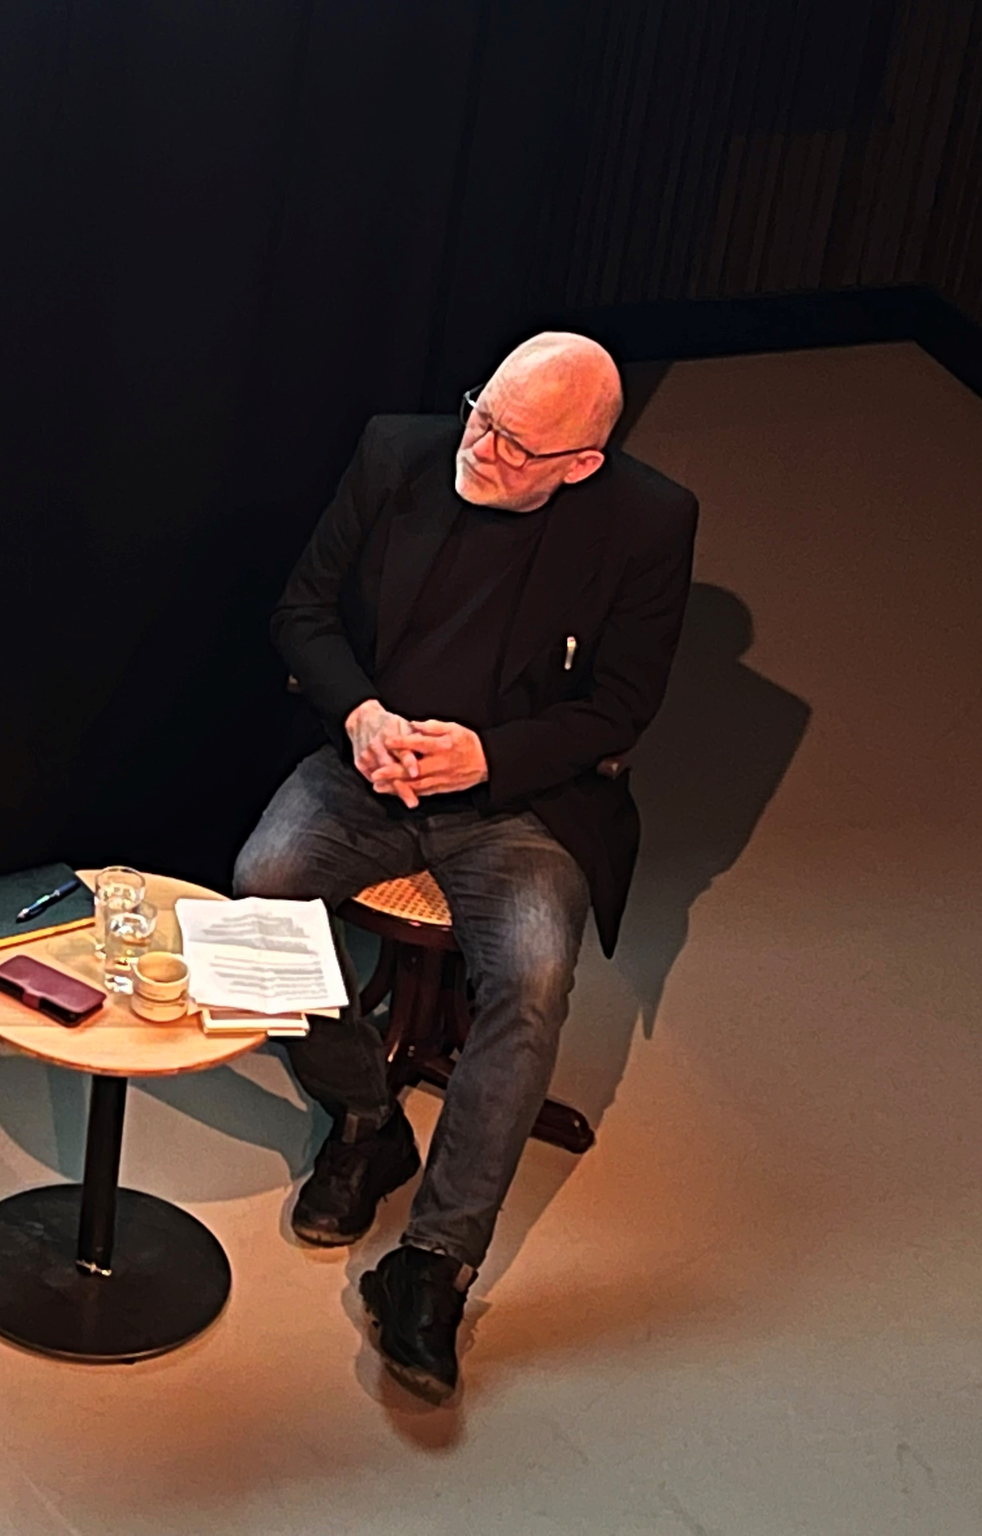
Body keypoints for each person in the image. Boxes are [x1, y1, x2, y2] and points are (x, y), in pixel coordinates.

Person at [234, 332, 697, 1402]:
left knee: (531, 980)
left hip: (519, 803)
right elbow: (302, 612)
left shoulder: (648, 522)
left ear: (582, 463)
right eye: (480, 415)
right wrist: (360, 715)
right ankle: (363, 1117)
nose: (479, 449)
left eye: (515, 444)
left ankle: (432, 1264)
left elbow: (621, 706)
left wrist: (488, 756)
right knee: (260, 896)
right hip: (372, 769)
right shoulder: (396, 452)